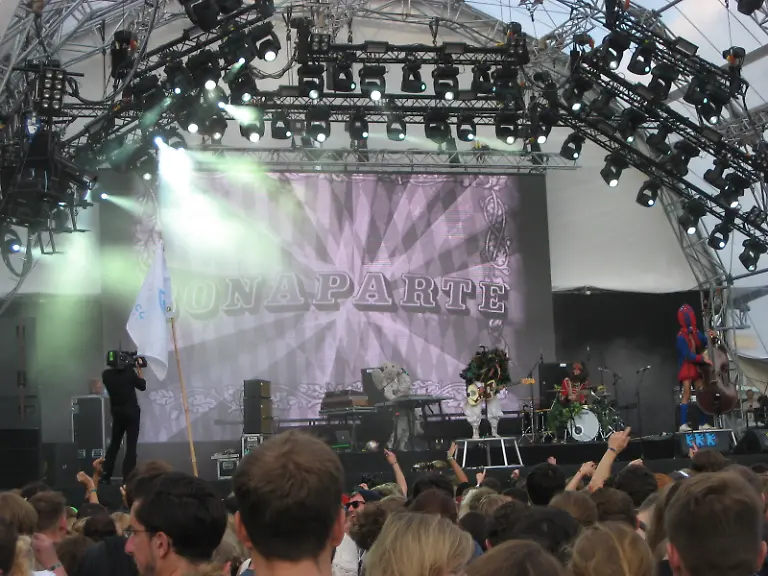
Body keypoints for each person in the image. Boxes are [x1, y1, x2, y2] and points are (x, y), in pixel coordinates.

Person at [101, 355, 146, 484]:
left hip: (117, 414)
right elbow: (142, 386)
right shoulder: (129, 373)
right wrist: (139, 369)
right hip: (131, 413)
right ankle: (128, 478)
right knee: (131, 446)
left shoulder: (106, 375)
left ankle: (106, 475)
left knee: (114, 444)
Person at [676, 304, 714, 432]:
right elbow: (687, 355)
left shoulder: (696, 332)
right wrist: (702, 359)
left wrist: (711, 337)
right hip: (687, 366)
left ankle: (703, 423)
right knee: (686, 393)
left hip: (696, 366)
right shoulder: (681, 337)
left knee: (701, 392)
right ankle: (682, 424)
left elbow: (704, 342)